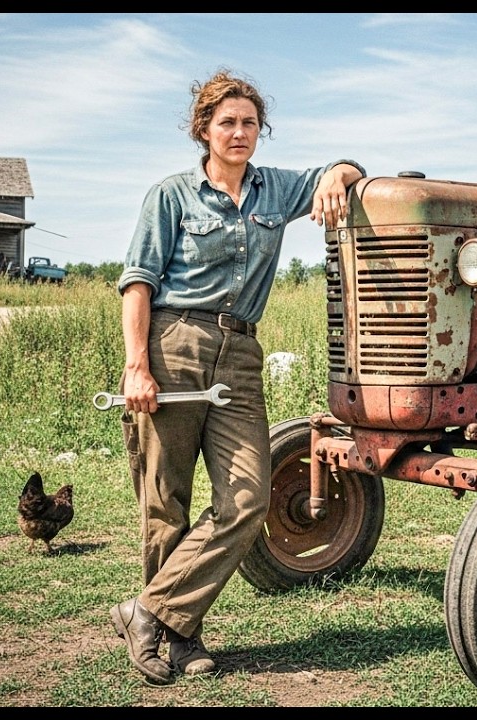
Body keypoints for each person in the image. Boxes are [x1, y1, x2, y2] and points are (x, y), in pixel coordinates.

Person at [110, 68, 366, 685]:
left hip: (241, 352)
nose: (239, 132)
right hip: (175, 343)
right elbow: (137, 283)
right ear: (204, 129)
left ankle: (146, 612)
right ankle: (176, 636)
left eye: (250, 122)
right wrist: (137, 365)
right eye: (227, 122)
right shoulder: (171, 196)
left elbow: (343, 174)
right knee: (165, 499)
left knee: (248, 499)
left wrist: (341, 171)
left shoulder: (275, 191)